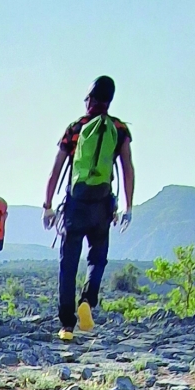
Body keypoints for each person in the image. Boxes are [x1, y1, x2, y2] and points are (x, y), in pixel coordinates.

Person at [43, 75, 135, 341]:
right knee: (97, 258)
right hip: (102, 206)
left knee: (68, 264)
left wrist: (47, 206)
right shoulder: (119, 129)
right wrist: (128, 206)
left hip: (75, 206)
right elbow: (127, 168)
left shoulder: (76, 128)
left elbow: (55, 170)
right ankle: (88, 300)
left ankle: (67, 326)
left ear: (90, 100)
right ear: (109, 100)